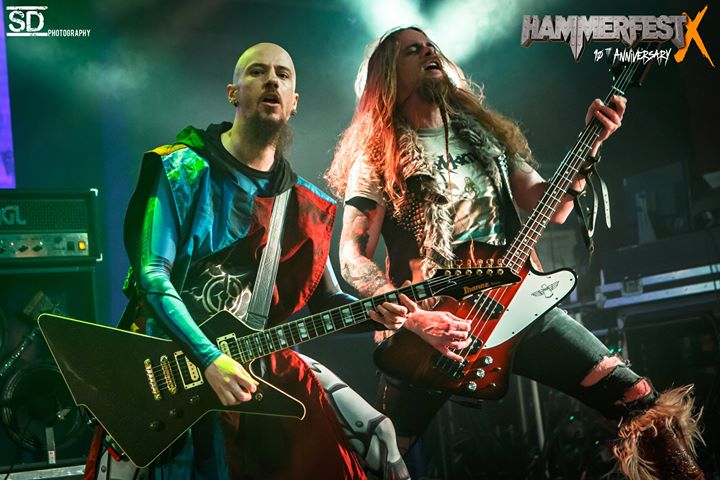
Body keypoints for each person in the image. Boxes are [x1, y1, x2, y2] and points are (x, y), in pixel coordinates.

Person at [326, 27, 704, 479]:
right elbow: (352, 256)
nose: (429, 52)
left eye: (431, 47)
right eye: (413, 50)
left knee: (638, 399)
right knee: (377, 452)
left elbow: (552, 205)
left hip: (520, 301)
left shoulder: (485, 139)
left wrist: (593, 143)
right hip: (436, 327)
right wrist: (414, 319)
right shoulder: (376, 158)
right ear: (388, 76)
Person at [87, 43, 411, 480]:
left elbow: (328, 300)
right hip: (164, 366)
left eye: (283, 75)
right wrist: (208, 358)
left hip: (256, 363)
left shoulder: (306, 204)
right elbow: (151, 274)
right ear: (233, 93)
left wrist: (376, 313)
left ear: (294, 102)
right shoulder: (180, 169)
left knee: (380, 438)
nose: (271, 80)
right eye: (257, 72)